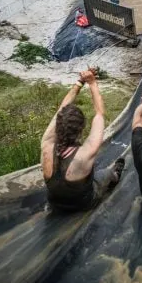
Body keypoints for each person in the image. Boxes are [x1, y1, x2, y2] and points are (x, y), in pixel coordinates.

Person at [41, 69, 126, 211]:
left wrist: (79, 83)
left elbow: (62, 109)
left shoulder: (46, 144)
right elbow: (99, 113)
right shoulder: (85, 153)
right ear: (80, 129)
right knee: (106, 174)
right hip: (82, 204)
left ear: (58, 125)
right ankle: (116, 173)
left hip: (55, 203)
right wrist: (92, 82)